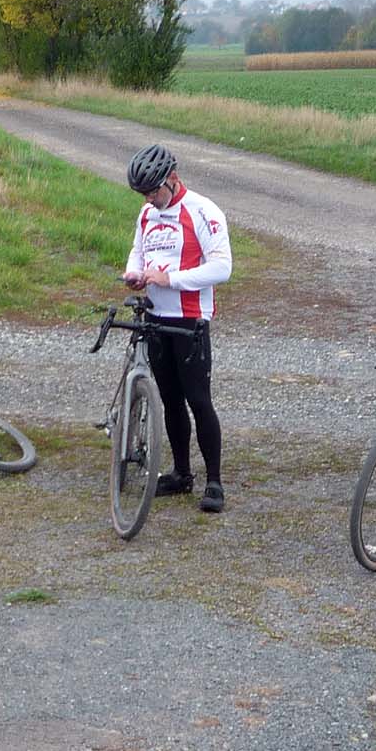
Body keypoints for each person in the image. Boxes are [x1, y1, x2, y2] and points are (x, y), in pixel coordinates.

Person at [121, 142, 232, 514]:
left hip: (190, 320)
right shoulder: (147, 213)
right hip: (155, 318)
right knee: (169, 400)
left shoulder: (203, 211)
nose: (149, 199)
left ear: (173, 178)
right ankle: (181, 473)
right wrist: (134, 273)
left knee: (198, 400)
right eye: (143, 193)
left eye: (153, 191)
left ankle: (214, 481)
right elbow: (138, 251)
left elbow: (222, 268)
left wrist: (171, 279)